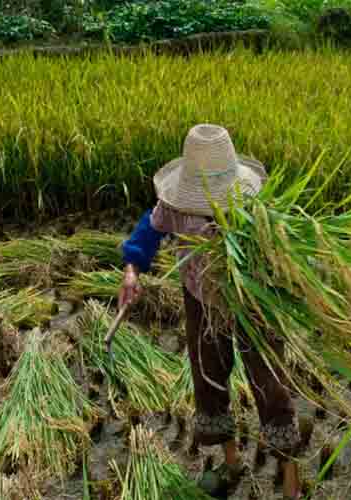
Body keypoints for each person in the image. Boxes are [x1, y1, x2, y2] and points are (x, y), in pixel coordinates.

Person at [118, 124, 303, 499]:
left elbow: (284, 252)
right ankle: (231, 463)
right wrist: (131, 271)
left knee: (270, 382)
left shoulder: (252, 207)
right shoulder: (175, 207)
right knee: (208, 375)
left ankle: (291, 483)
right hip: (200, 299)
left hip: (252, 301)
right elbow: (148, 231)